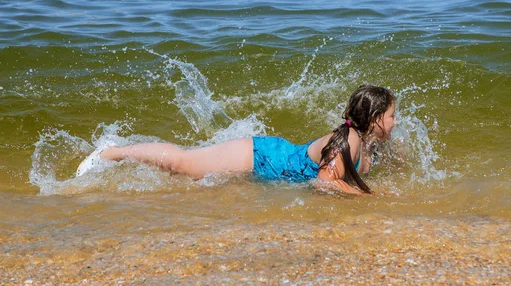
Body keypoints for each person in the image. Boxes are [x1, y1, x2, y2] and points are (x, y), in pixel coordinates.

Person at [77, 85, 397, 194]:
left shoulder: (368, 142)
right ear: (375, 118)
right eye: (393, 116)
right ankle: (113, 152)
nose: (396, 122)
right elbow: (323, 183)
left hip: (270, 165)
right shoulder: (350, 140)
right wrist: (369, 199)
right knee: (181, 164)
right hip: (258, 155)